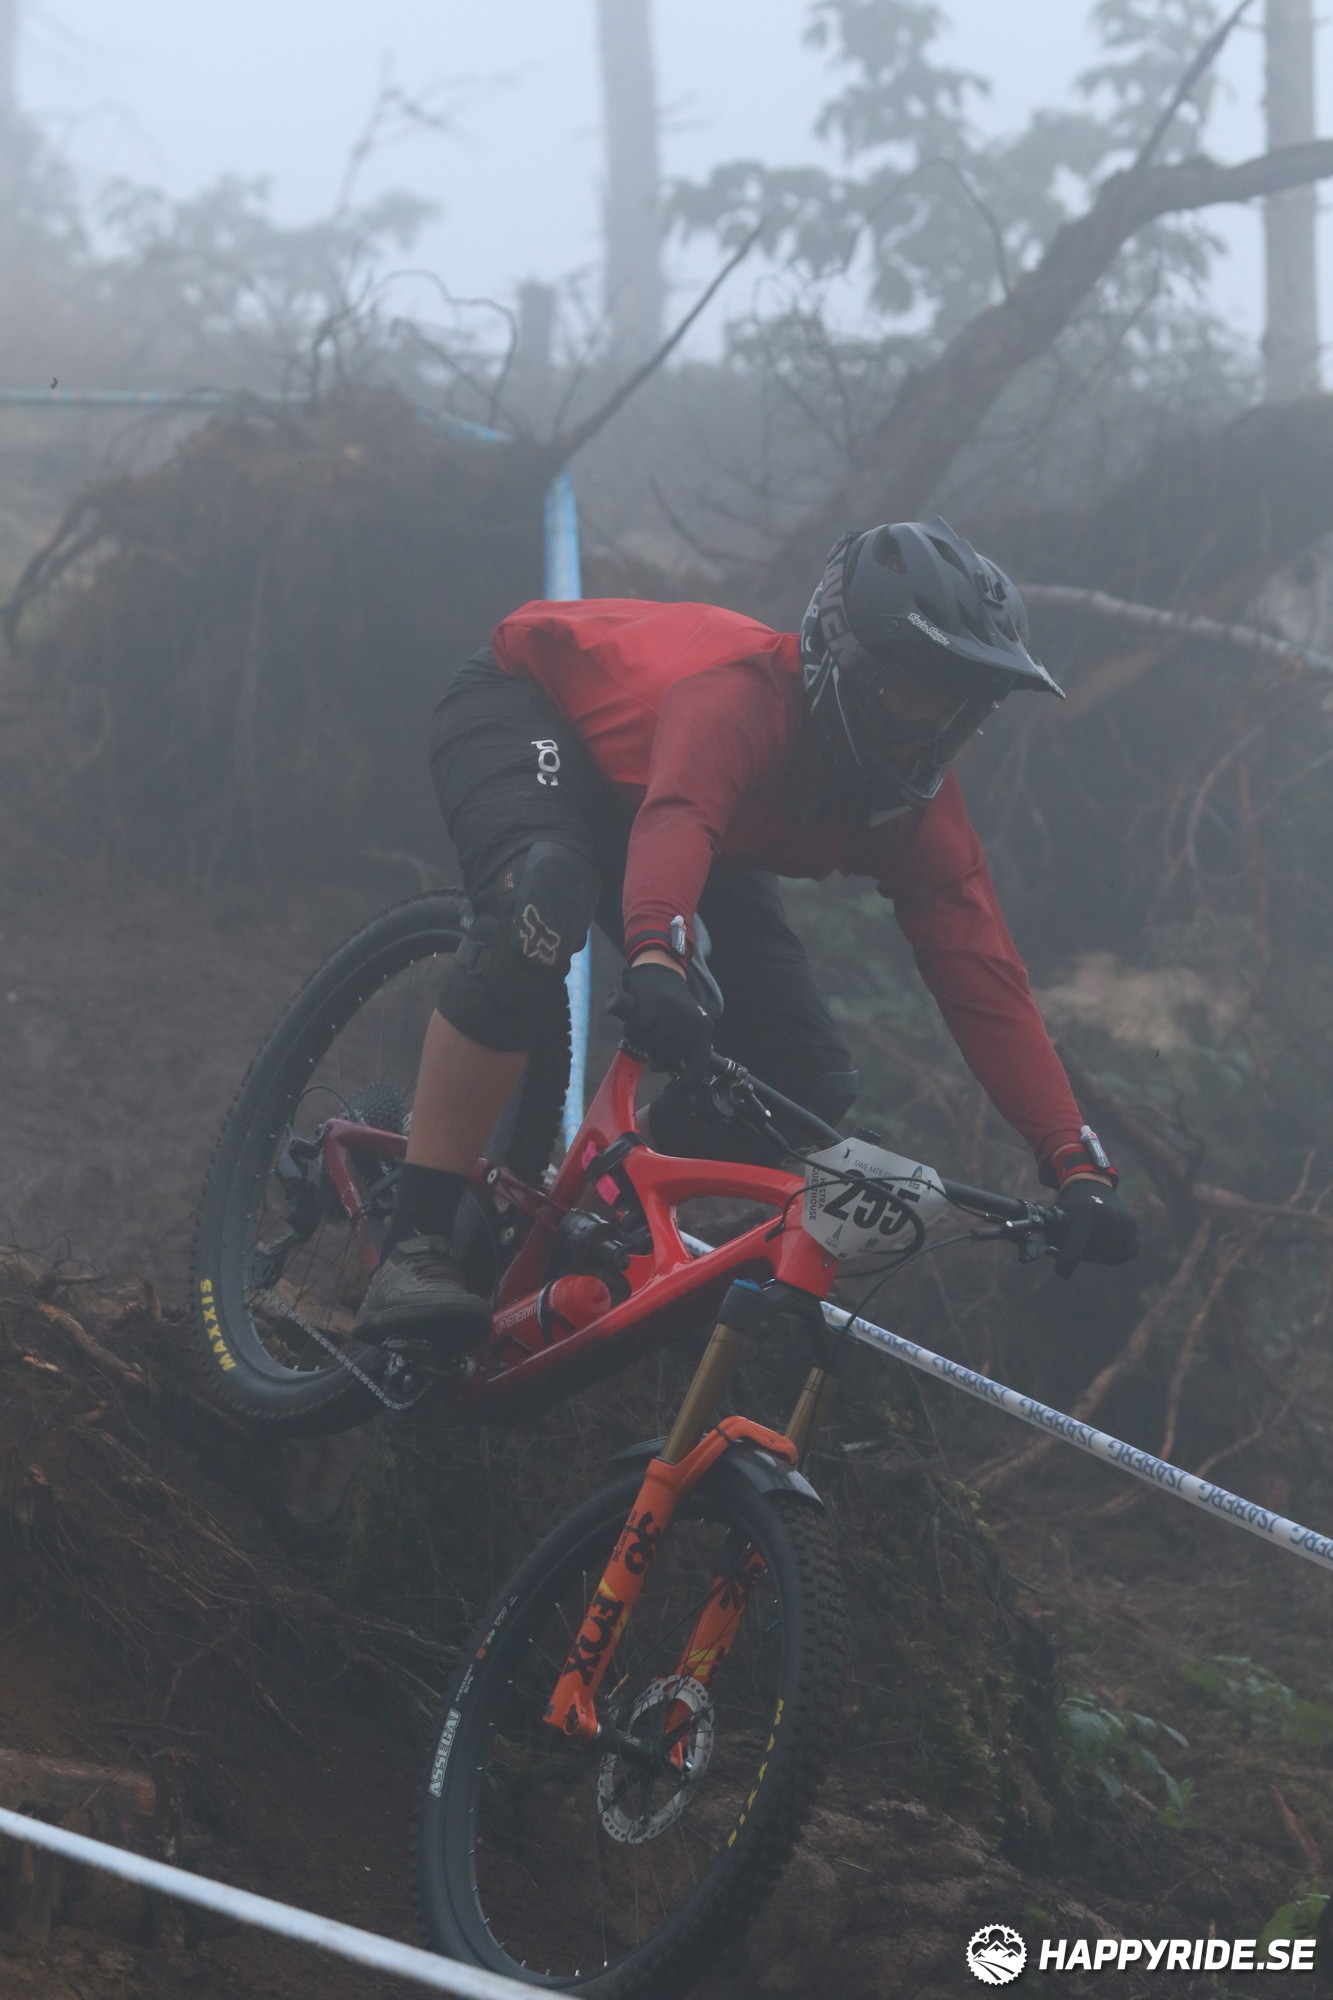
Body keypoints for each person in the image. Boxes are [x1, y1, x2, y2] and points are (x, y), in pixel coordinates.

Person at [356, 516, 1138, 1344]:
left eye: (959, 713)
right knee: (540, 904)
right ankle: (412, 1245)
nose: (930, 736)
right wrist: (656, 953)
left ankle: (557, 1224)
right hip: (533, 712)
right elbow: (680, 813)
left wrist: (1074, 1162)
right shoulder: (744, 697)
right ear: (845, 663)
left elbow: (985, 981)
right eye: (915, 697)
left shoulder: (915, 812)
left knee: (799, 1076)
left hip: (691, 818)